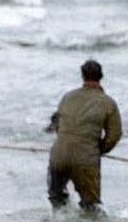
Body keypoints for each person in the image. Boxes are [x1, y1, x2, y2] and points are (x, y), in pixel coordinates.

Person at [47, 59, 122, 211]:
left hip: (58, 156)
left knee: (56, 201)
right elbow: (114, 135)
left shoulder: (67, 97)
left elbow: (57, 125)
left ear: (82, 76)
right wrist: (99, 150)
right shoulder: (108, 103)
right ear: (101, 77)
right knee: (91, 208)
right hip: (85, 160)